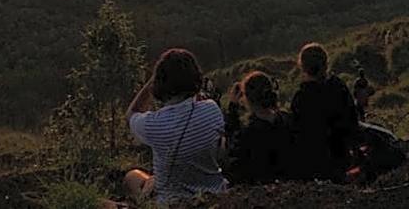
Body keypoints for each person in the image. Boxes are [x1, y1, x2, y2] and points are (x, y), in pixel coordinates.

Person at [125, 48, 227, 205]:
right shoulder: (212, 109)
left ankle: (144, 204)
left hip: (173, 202)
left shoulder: (152, 124)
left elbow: (132, 113)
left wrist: (151, 82)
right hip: (214, 196)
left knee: (132, 177)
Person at [290, 42, 358, 181]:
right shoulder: (338, 87)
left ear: (303, 68)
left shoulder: (301, 98)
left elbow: (299, 136)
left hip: (316, 166)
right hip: (343, 157)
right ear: (326, 63)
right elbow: (352, 121)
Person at [224, 71, 292, 184]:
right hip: (288, 185)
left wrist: (232, 109)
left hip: (259, 189)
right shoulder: (287, 120)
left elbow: (234, 164)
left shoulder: (247, 134)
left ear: (245, 98)